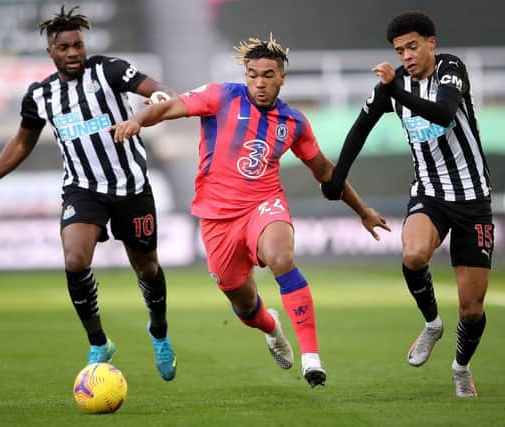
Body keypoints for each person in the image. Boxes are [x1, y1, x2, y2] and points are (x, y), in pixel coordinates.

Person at [110, 34, 390, 388]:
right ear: (246, 75)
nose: (260, 82)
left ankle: (312, 358)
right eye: (253, 74)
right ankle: (272, 329)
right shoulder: (221, 95)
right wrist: (139, 120)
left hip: (264, 204)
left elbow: (325, 173)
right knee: (244, 306)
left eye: (268, 75)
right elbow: (167, 107)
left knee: (281, 257)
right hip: (216, 219)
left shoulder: (294, 123)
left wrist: (362, 210)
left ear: (281, 78)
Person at [0, 5, 177, 381]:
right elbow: (22, 143)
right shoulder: (40, 95)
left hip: (131, 186)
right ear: (51, 52)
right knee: (75, 260)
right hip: (83, 189)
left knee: (147, 266)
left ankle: (158, 331)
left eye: (78, 45)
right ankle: (98, 341)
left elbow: (156, 88)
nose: (73, 52)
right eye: (64, 47)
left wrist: (157, 100)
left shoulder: (108, 70)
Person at [322, 12, 493, 397]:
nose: (407, 56)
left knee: (472, 308)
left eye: (413, 46)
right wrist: (337, 178)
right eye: (400, 51)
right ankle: (432, 324)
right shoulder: (392, 84)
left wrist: (393, 90)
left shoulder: (451, 70)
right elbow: (360, 127)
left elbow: (444, 112)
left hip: (472, 199)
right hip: (429, 193)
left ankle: (461, 367)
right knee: (414, 254)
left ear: (431, 42)